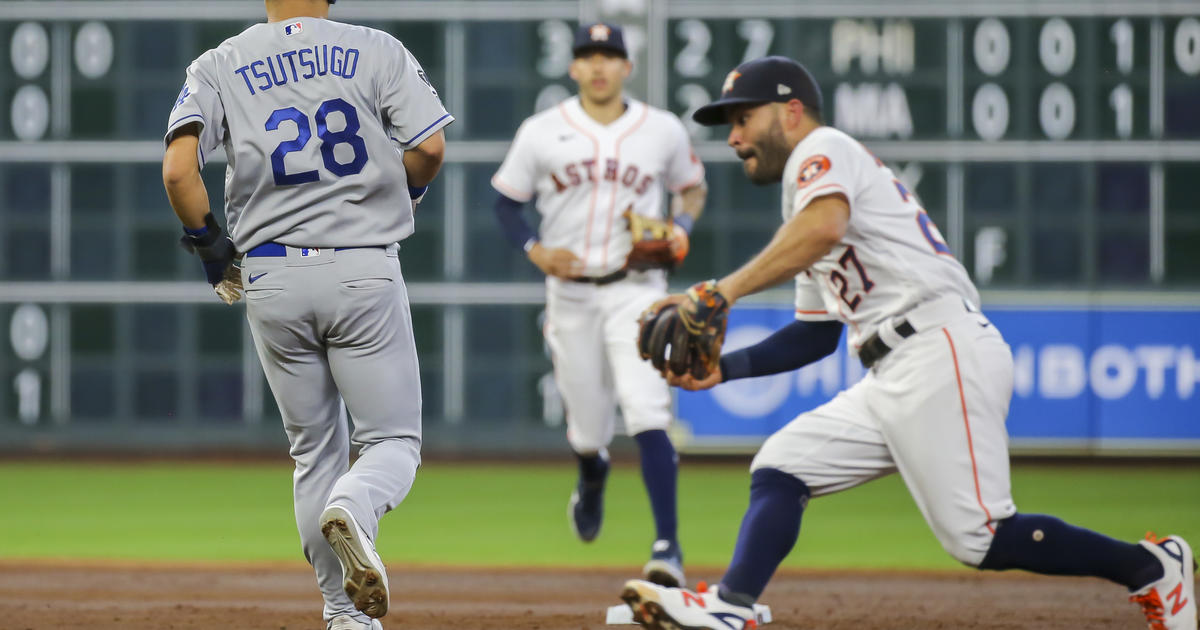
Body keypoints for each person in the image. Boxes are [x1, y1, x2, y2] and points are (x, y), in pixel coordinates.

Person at [620, 56, 1196, 630]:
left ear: (792, 111)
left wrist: (722, 291)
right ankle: (731, 606)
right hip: (892, 368)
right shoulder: (808, 202)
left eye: (744, 118)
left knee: (981, 539)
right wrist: (725, 368)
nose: (735, 137)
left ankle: (1152, 567)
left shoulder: (823, 153)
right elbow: (816, 334)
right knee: (782, 464)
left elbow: (824, 229)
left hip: (936, 345)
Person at [162, 1, 451, 628]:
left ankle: (345, 616)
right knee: (393, 441)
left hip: (271, 273)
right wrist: (408, 190)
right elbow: (428, 147)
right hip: (361, 265)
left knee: (314, 451)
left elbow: (179, 169)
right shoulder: (376, 48)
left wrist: (213, 250)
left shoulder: (219, 62)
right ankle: (355, 504)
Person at [490, 22, 708, 587]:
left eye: (610, 56)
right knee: (587, 427)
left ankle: (668, 547)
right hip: (570, 293)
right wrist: (536, 251)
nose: (599, 66)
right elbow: (505, 202)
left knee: (647, 409)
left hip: (638, 288)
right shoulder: (542, 130)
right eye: (589, 56)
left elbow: (693, 186)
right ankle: (591, 470)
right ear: (574, 68)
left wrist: (681, 227)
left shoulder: (659, 129)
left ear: (626, 67)